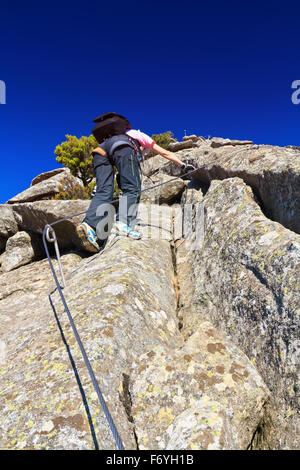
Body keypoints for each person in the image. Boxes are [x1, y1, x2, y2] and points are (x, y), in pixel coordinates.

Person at [76, 114, 195, 253]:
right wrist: (182, 165)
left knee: (103, 191)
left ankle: (89, 225)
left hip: (99, 151)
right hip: (122, 148)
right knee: (132, 188)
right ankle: (123, 224)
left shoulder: (112, 135)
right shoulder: (139, 135)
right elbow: (164, 152)